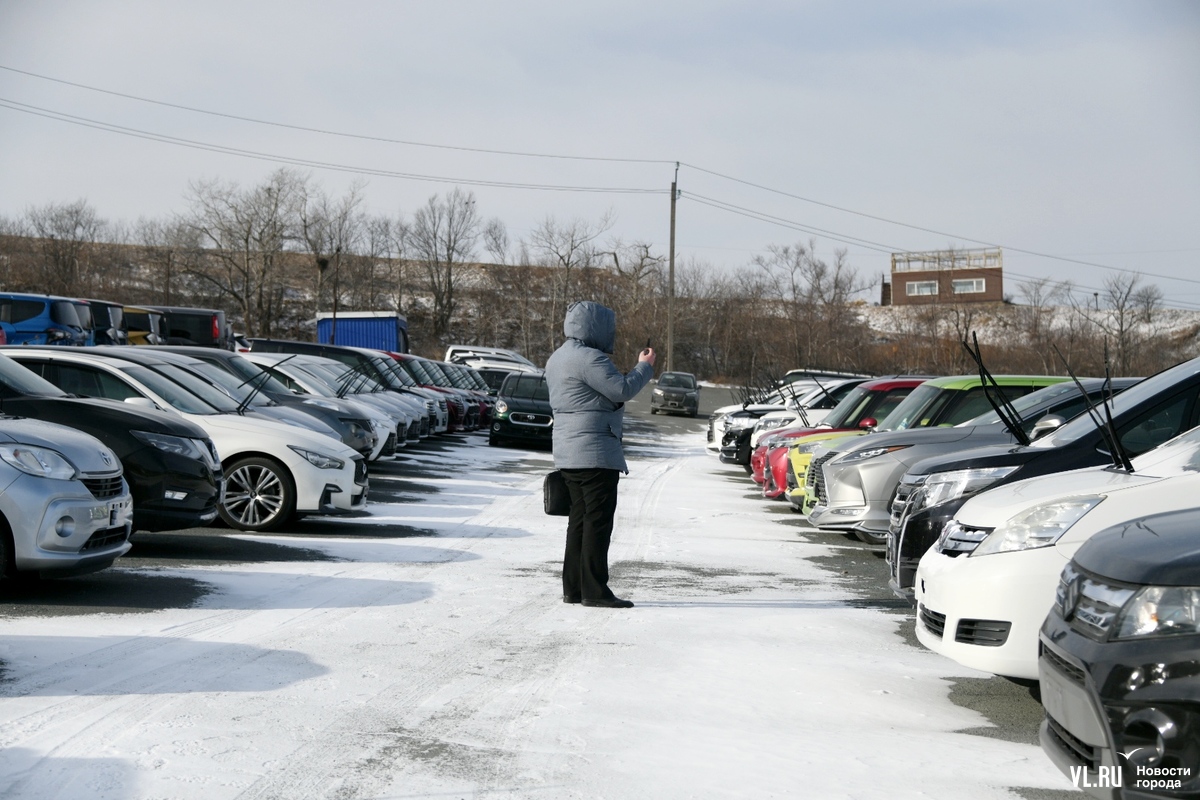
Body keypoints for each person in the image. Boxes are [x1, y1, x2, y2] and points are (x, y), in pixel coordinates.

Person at [545, 301, 655, 609]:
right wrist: (643, 366)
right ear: (596, 327)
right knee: (597, 522)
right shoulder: (589, 358)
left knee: (579, 521)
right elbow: (621, 389)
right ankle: (594, 590)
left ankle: (574, 588)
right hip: (594, 451)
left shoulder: (558, 357)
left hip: (568, 452)